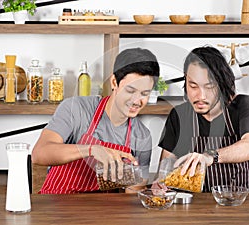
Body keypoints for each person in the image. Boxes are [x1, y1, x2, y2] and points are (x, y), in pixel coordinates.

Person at [32, 47, 160, 194]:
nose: (136, 101)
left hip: (103, 213)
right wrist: (91, 150)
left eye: (145, 93)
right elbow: (39, 153)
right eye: (130, 91)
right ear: (114, 82)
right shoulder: (76, 109)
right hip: (57, 209)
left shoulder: (142, 137)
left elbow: (133, 193)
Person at [158, 46, 249, 192]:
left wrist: (210, 157)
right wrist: (161, 181)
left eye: (209, 87)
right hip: (191, 207)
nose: (201, 96)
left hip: (237, 206)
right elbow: (167, 163)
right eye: (193, 86)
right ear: (185, 80)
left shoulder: (242, 106)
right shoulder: (179, 115)